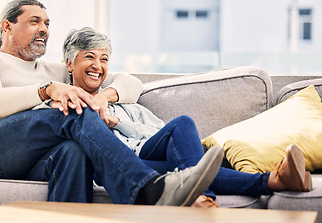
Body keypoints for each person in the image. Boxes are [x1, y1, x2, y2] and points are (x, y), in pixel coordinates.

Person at [0, 0, 224, 206]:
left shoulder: (51, 70)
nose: (44, 29)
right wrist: (48, 91)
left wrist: (102, 96)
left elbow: (131, 82)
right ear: (6, 26)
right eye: (34, 22)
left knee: (74, 151)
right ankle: (145, 187)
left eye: (47, 24)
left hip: (26, 158)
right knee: (70, 110)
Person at [58, 27, 313, 207]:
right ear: (69, 63)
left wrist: (118, 122)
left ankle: (201, 193)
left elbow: (158, 133)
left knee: (183, 125)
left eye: (104, 59)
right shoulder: (64, 101)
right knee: (192, 169)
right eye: (89, 57)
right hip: (115, 167)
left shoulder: (125, 103)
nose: (98, 66)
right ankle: (271, 181)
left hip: (146, 155)